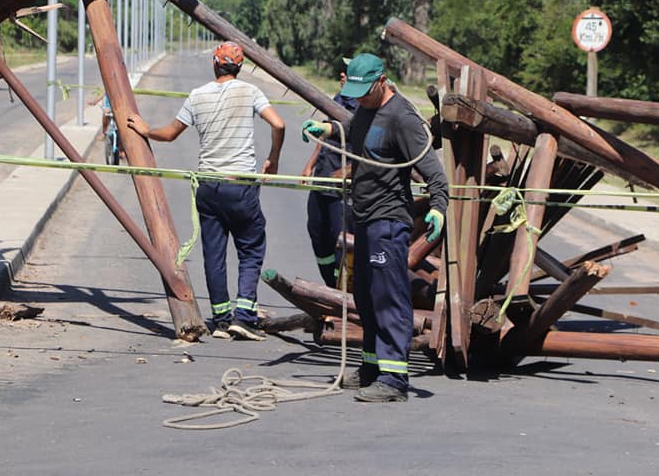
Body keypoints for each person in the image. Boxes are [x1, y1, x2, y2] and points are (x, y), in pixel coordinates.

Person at [302, 53, 448, 403]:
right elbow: (356, 129)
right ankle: (370, 366)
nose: (361, 98)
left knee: (388, 298)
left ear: (382, 81)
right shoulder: (366, 108)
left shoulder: (403, 118)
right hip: (364, 218)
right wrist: (328, 129)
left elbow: (434, 172)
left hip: (388, 221)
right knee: (365, 297)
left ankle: (395, 378)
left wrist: (439, 209)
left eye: (366, 91)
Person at [127, 41, 285, 341]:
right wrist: (273, 158)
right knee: (251, 249)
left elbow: (171, 133)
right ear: (239, 67)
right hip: (240, 185)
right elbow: (278, 124)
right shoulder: (250, 92)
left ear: (215, 63)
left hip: (208, 186)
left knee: (214, 253)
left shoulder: (197, 96)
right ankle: (245, 316)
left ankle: (222, 320)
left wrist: (146, 129)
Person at [300, 68, 358, 288]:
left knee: (341, 241)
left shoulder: (364, 109)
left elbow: (373, 150)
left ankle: (342, 292)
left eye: (347, 72)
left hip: (342, 188)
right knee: (317, 232)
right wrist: (310, 164)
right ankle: (330, 285)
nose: (341, 75)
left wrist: (349, 171)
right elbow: (325, 135)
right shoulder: (338, 100)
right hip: (322, 178)